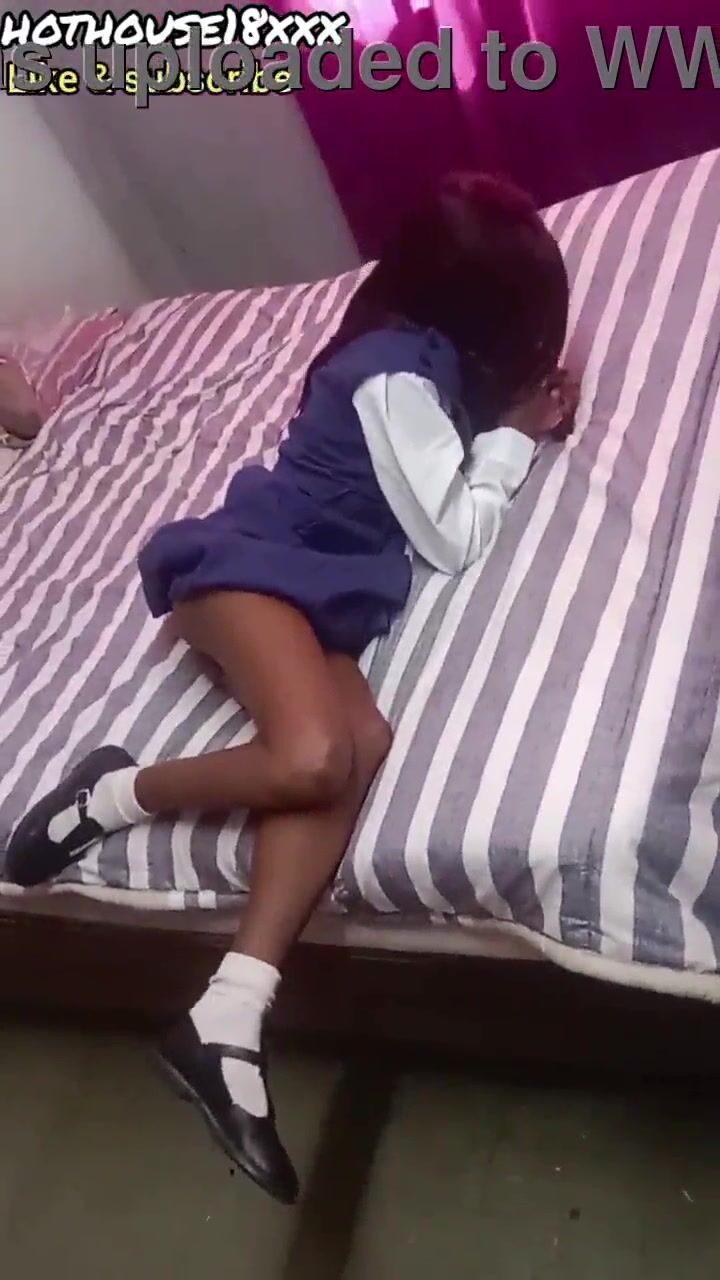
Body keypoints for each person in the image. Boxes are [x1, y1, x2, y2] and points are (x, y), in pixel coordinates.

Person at [4, 172, 578, 1204]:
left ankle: (227, 1018)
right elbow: (452, 538)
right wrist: (510, 443)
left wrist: (496, 413)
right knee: (312, 755)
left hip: (320, 589)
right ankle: (109, 793)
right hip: (244, 568)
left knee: (362, 746)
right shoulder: (395, 377)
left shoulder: (424, 360)